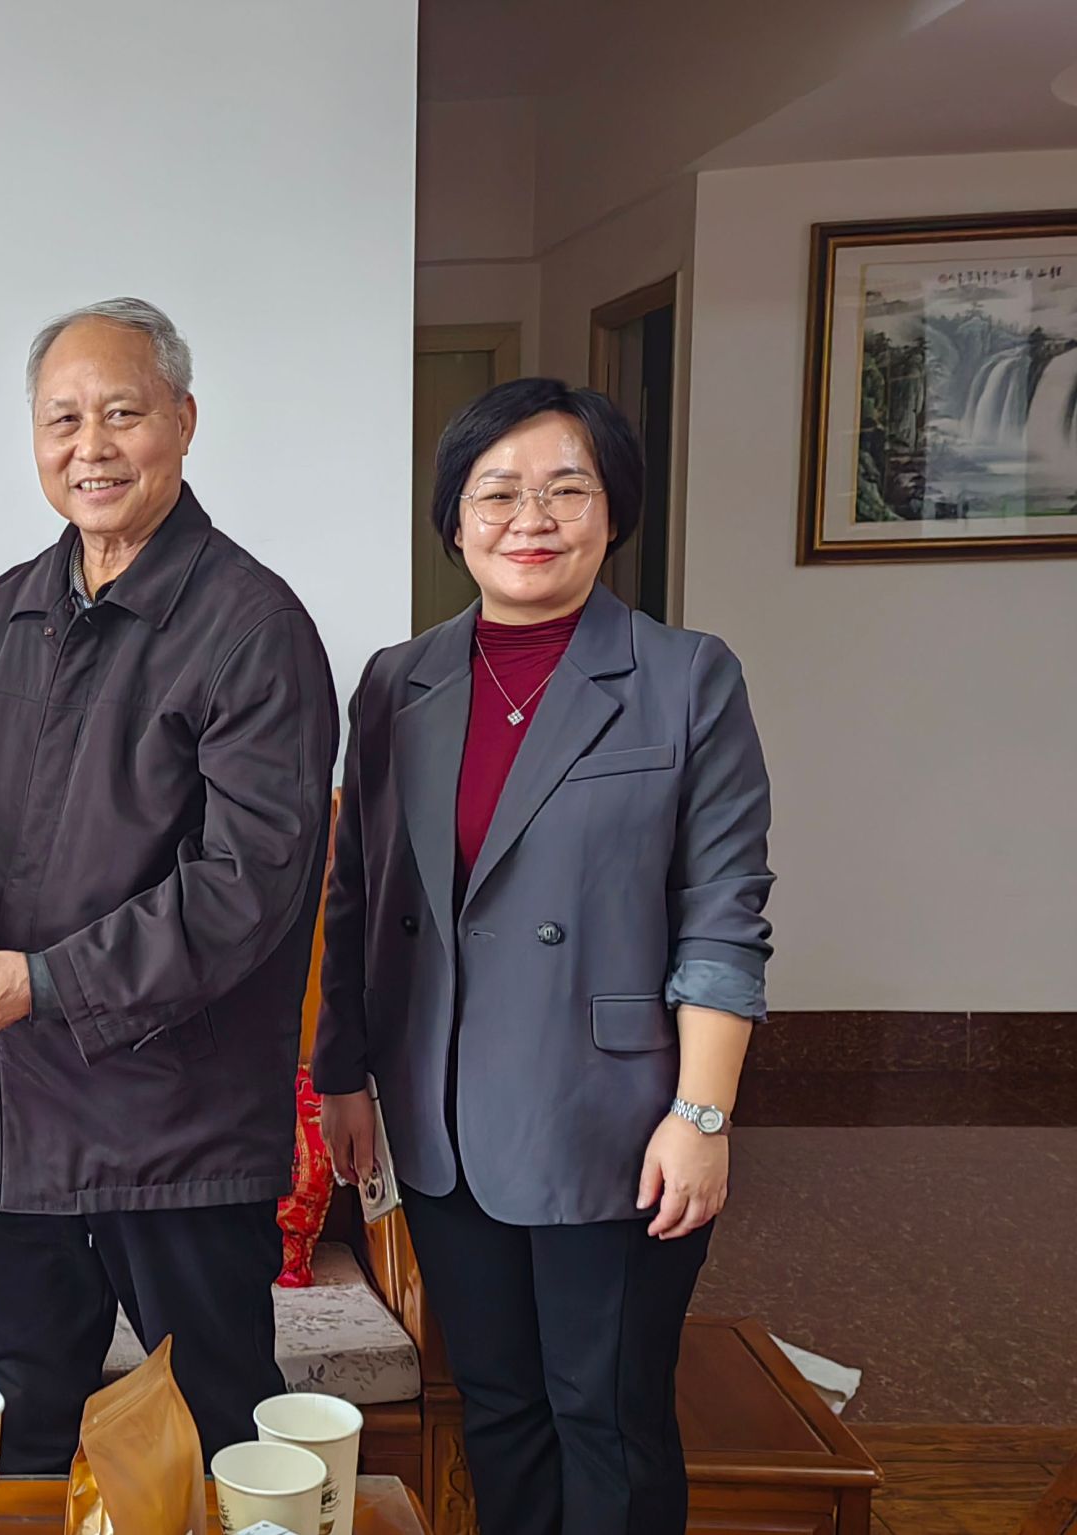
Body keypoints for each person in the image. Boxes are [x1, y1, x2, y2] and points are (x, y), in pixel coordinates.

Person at [0, 297, 338, 1470]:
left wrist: (46, 982)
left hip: (175, 1126)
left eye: (121, 413)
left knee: (222, 1436)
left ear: (182, 419)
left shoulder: (251, 627)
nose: (90, 445)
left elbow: (244, 886)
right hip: (20, 1114)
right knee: (21, 1436)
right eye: (61, 419)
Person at [316, 377, 774, 1535]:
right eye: (496, 492)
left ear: (612, 511)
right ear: (454, 519)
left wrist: (702, 1115)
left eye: (565, 489)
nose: (529, 518)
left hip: (611, 1121)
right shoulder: (396, 682)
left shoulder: (683, 676)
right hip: (440, 1114)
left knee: (606, 1413)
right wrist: (341, 1073)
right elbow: (356, 892)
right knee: (499, 1406)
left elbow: (722, 913)